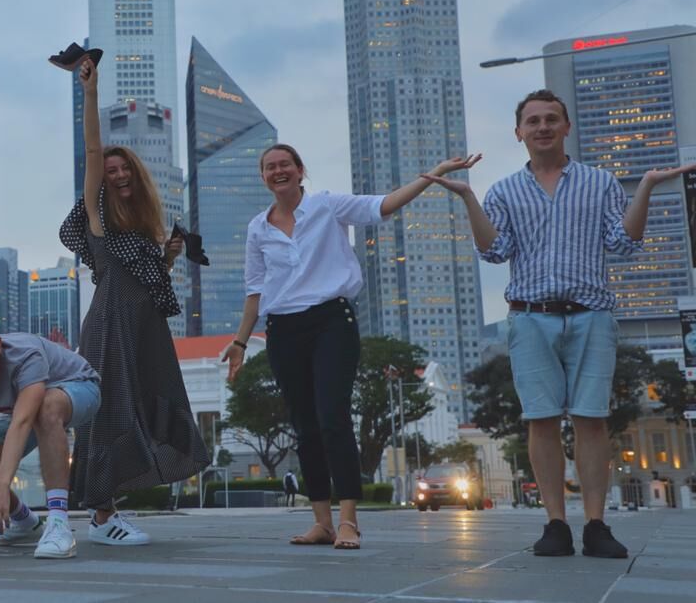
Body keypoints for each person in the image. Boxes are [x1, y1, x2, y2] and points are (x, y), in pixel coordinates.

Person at [422, 89, 694, 558]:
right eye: (533, 121)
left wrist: (646, 187)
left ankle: (596, 524)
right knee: (541, 420)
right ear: (519, 132)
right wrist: (468, 197)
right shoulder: (504, 190)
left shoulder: (599, 182)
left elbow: (624, 243)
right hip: (531, 318)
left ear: (567, 127)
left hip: (591, 316)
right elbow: (494, 251)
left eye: (551, 119)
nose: (543, 127)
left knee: (592, 419)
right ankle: (555, 524)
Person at [224, 143, 479, 550]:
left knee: (333, 417)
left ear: (300, 169)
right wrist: (240, 341)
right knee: (305, 426)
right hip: (283, 329)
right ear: (263, 177)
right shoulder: (259, 228)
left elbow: (384, 205)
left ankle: (348, 521)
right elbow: (255, 290)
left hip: (331, 321)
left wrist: (432, 175)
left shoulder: (326, 206)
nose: (278, 171)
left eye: (285, 164)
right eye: (270, 167)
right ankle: (321, 522)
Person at [59, 57, 210, 546]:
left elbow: (149, 281)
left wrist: (168, 256)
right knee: (111, 413)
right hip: (111, 325)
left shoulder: (143, 228)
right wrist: (90, 91)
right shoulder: (98, 217)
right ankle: (102, 516)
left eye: (125, 168)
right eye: (111, 171)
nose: (119, 174)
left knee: (144, 405)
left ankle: (108, 510)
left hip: (145, 329)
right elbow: (92, 147)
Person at [0, 311, 101, 559]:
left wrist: (1, 486)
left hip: (78, 387)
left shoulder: (25, 356)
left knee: (46, 408)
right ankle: (26, 523)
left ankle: (58, 523)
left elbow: (23, 421)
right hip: (19, 410)